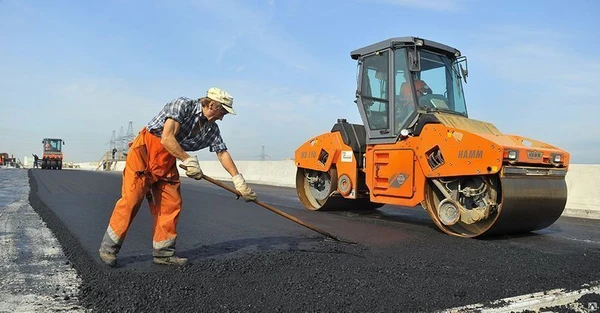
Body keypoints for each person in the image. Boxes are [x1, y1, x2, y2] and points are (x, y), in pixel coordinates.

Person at [98, 87, 258, 267]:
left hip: (167, 159)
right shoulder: (182, 105)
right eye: (222, 112)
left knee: (171, 203)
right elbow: (167, 138)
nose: (222, 117)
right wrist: (188, 160)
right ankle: (108, 248)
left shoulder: (211, 129)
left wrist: (238, 180)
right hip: (145, 151)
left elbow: (222, 153)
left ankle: (164, 253)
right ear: (212, 104)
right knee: (132, 200)